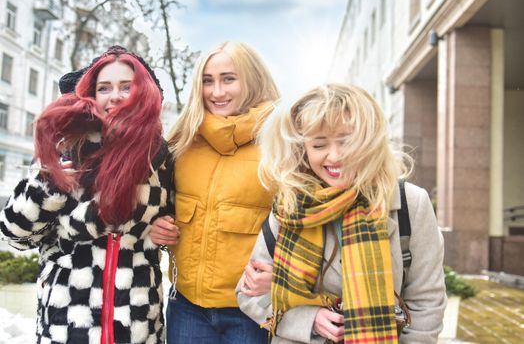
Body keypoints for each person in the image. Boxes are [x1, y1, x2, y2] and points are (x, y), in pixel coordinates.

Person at [236, 83, 446, 343]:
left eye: (347, 141)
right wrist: (308, 319)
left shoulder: (410, 202)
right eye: (319, 145)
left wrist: (280, 284)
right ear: (303, 149)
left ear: (369, 140)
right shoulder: (289, 205)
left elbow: (427, 302)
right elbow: (249, 293)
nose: (334, 157)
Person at [0, 46, 173, 343]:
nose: (115, 95)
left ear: (143, 94)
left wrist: (167, 229)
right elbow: (13, 234)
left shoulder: (159, 157)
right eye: (104, 87)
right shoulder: (65, 147)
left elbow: (178, 219)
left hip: (138, 324)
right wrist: (49, 185)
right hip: (67, 324)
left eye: (126, 87)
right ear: (91, 95)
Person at [149, 41, 280, 343]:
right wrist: (157, 227)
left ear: (253, 80)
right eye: (208, 81)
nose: (216, 92)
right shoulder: (182, 142)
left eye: (228, 79)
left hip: (252, 310)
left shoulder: (279, 144)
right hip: (187, 309)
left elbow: (302, 228)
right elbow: (156, 206)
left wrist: (282, 276)